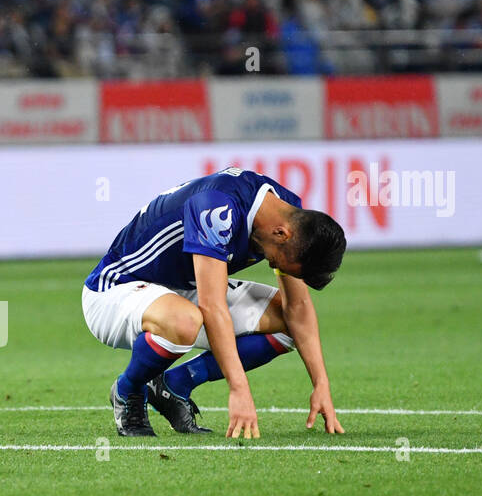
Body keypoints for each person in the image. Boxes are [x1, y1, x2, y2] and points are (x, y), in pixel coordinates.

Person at [82, 167, 347, 440]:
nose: (273, 264)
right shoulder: (217, 208)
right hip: (114, 290)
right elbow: (212, 306)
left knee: (287, 322)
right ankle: (129, 389)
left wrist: (321, 383)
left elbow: (298, 307)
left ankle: (174, 385)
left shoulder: (289, 213)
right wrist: (239, 389)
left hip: (182, 287)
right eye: (280, 262)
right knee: (185, 320)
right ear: (281, 234)